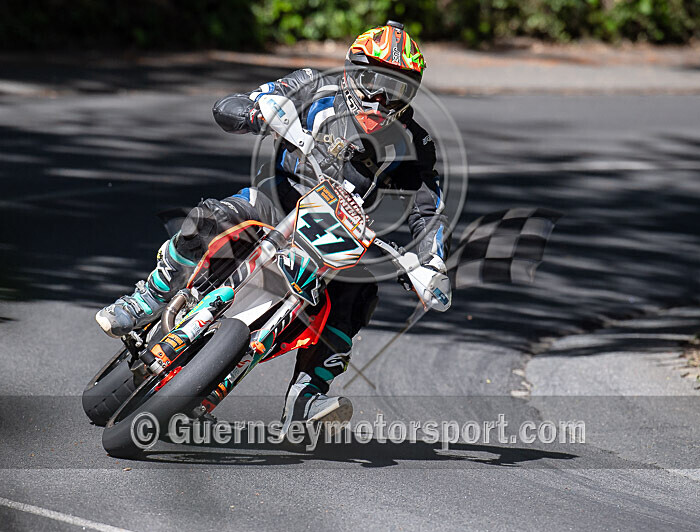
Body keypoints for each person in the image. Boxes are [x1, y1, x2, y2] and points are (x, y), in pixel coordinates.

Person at [95, 21, 450, 431]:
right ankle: (150, 297)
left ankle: (307, 396)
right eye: (374, 82)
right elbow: (236, 104)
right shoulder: (313, 88)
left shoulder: (415, 143)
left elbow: (429, 209)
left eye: (398, 90)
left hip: (343, 234)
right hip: (278, 199)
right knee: (213, 215)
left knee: (361, 292)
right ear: (354, 72)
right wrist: (253, 111)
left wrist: (430, 264)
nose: (382, 99)